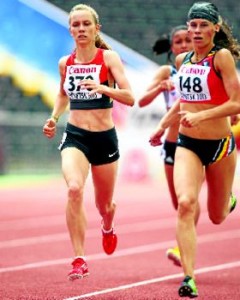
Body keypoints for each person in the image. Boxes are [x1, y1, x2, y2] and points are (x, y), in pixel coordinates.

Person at [149, 2, 240, 298]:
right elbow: (182, 101)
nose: (197, 31)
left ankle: (227, 200)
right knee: (186, 204)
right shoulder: (182, 61)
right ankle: (189, 277)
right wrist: (164, 125)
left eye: (203, 25)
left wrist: (202, 115)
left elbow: (236, 103)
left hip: (220, 145)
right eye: (193, 25)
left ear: (215, 28)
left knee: (216, 216)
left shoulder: (221, 58)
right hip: (187, 143)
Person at [43, 4, 135, 281]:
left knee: (104, 205)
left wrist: (103, 87)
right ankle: (79, 258)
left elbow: (130, 97)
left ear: (97, 28)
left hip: (104, 138)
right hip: (76, 135)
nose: (81, 29)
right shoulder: (65, 63)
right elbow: (62, 94)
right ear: (70, 29)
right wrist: (54, 117)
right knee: (73, 189)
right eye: (76, 25)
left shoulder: (109, 58)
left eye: (86, 24)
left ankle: (107, 225)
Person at [138, 25, 200, 267]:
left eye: (188, 40)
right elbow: (141, 101)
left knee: (189, 200)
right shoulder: (166, 71)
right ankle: (185, 243)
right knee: (179, 203)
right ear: (171, 47)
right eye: (178, 41)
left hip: (197, 142)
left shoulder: (202, 67)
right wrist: (159, 87)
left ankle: (181, 247)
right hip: (172, 144)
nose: (184, 45)